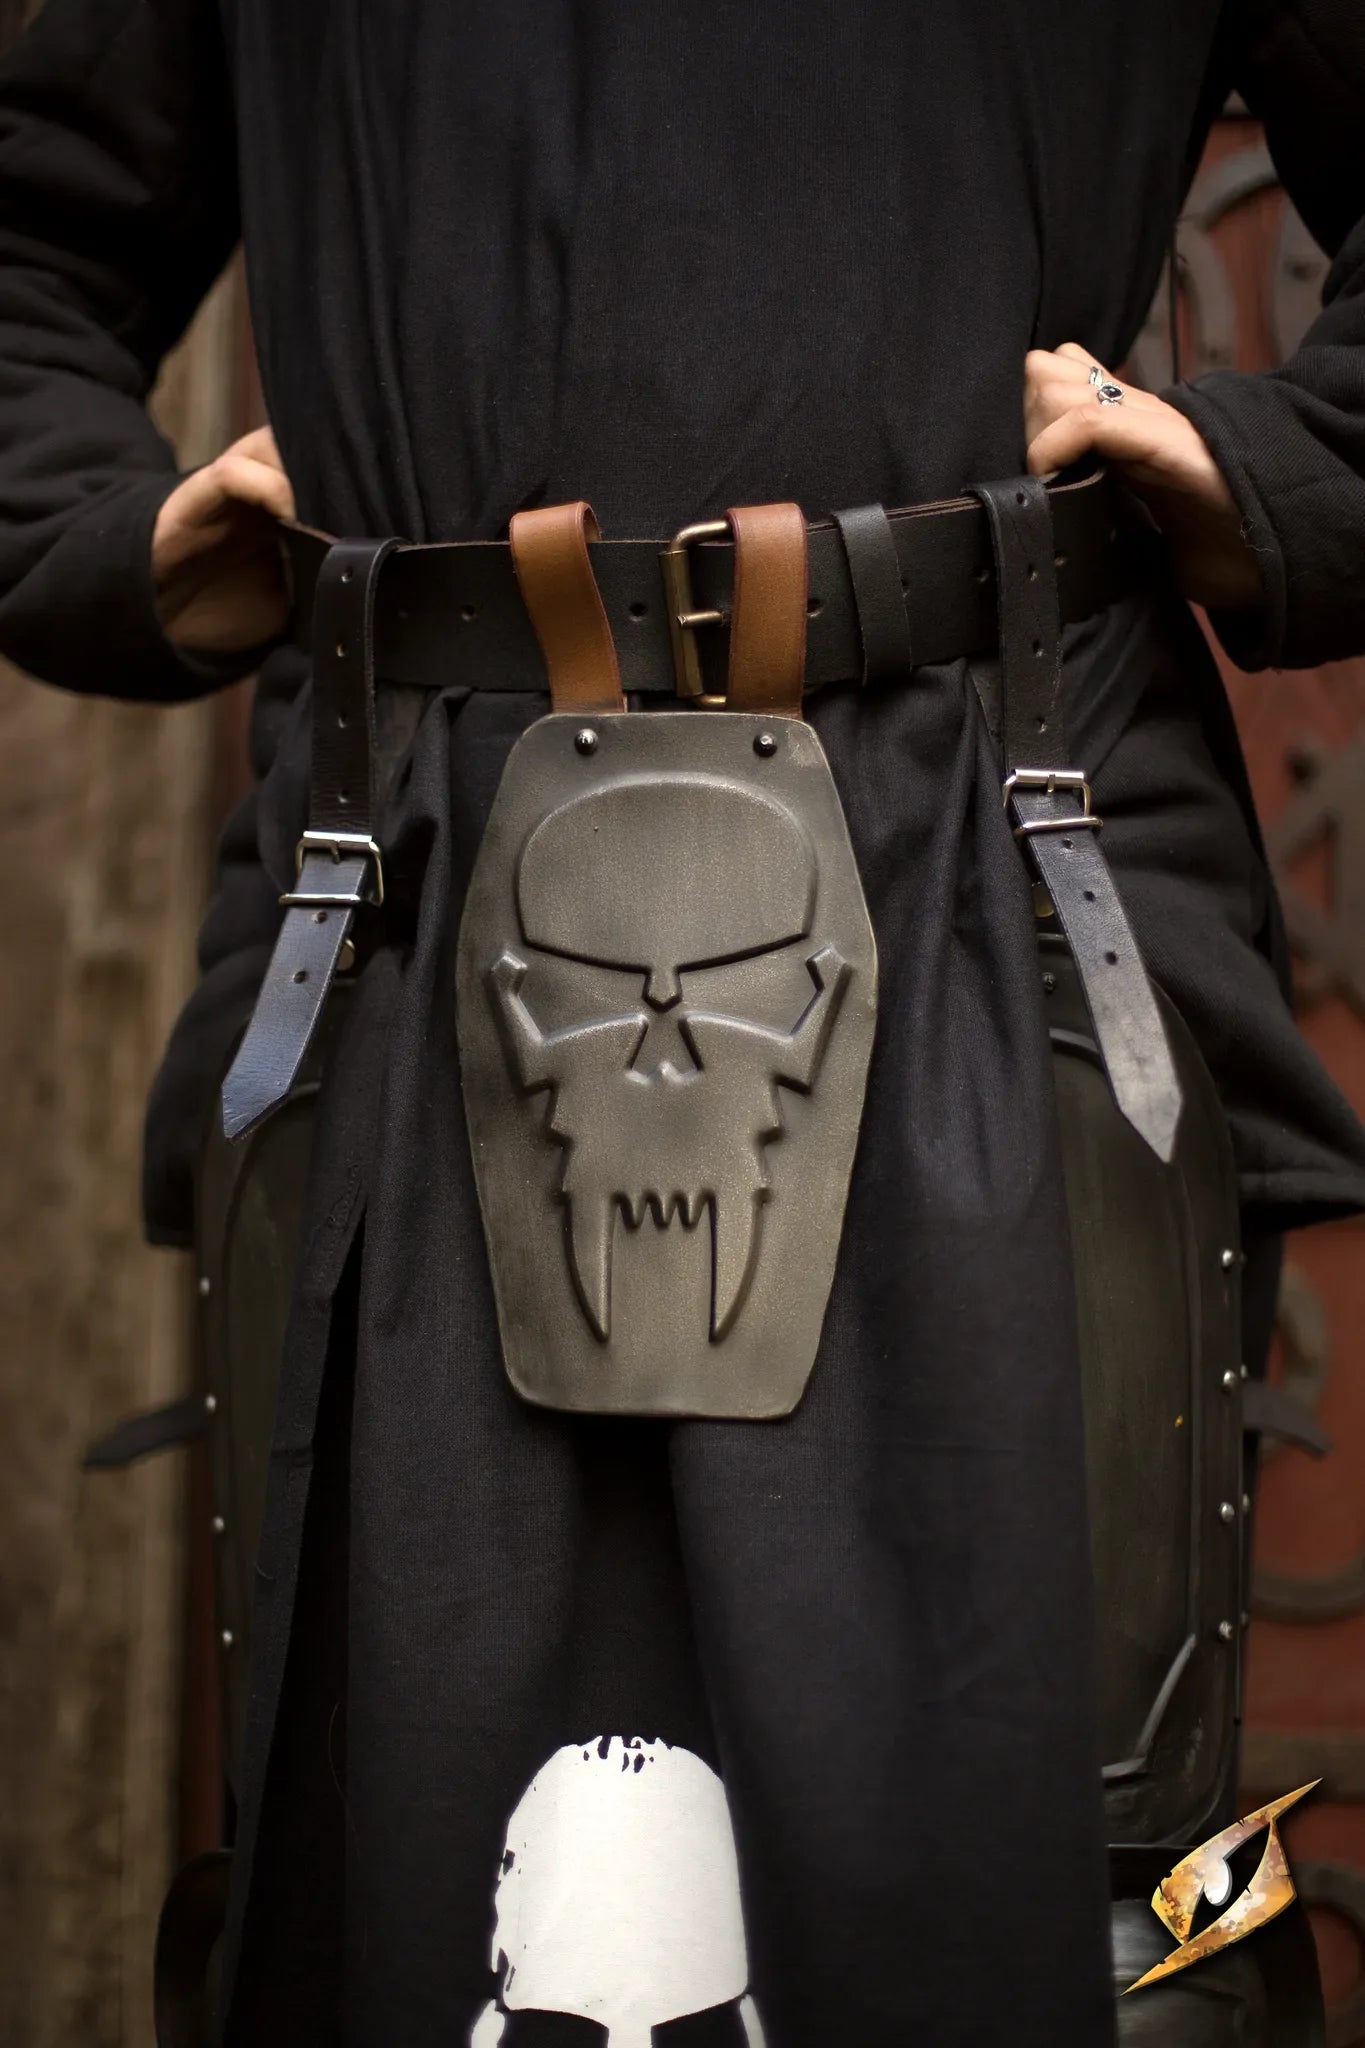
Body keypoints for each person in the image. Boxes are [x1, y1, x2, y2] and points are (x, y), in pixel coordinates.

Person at [2, 2, 1364, 2042]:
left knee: (1068, 1946)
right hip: (418, 897)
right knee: (423, 1936)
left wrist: (1272, 467)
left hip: (996, 865)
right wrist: (111, 532)